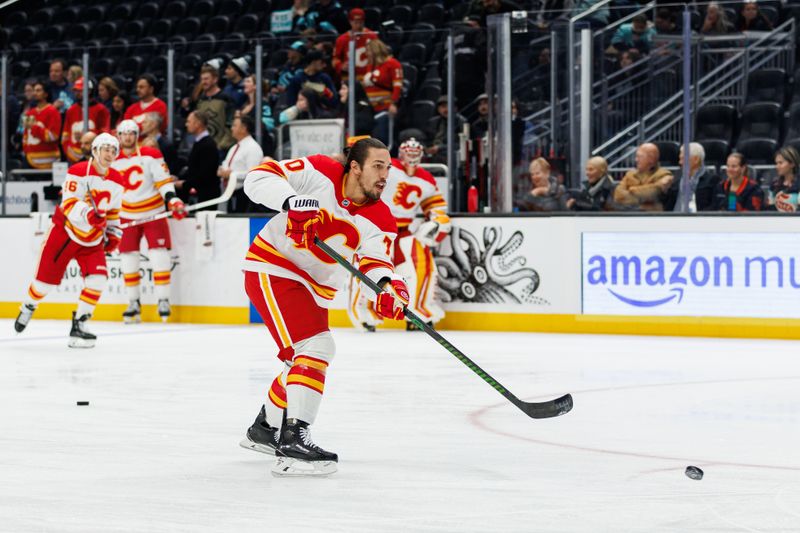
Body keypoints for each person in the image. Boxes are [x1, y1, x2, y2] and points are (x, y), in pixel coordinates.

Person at [238, 137, 408, 476]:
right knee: (316, 346)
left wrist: (388, 288)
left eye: (388, 168)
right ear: (355, 166)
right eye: (378, 165)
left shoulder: (382, 217)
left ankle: (265, 429)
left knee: (300, 362)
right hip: (275, 267)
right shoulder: (319, 170)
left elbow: (376, 261)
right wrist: (291, 201)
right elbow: (257, 178)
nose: (385, 175)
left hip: (315, 290)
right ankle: (293, 439)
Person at [14, 133, 124, 348]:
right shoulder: (79, 171)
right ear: (95, 150)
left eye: (113, 150)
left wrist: (113, 233)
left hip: (91, 241)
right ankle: (29, 305)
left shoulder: (117, 179)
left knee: (98, 280)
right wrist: (89, 216)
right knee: (43, 285)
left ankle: (79, 325)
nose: (110, 154)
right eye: (106, 149)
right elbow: (69, 203)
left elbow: (113, 211)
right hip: (65, 233)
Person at [348, 138, 450, 332]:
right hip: (376, 228)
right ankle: (365, 313)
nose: (411, 157)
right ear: (401, 153)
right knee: (368, 268)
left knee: (423, 266)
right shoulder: (389, 167)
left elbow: (435, 205)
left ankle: (420, 312)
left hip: (404, 230)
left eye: (415, 152)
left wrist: (438, 221)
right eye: (408, 152)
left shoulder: (427, 178)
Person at [112, 120, 186, 323]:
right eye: (124, 133)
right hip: (126, 215)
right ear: (118, 135)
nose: (128, 137)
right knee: (128, 259)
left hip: (153, 212)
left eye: (131, 133)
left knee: (159, 255)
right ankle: (133, 301)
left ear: (137, 135)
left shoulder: (151, 154)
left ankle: (163, 300)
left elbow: (163, 182)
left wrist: (173, 199)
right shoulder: (111, 159)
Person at [218, 115, 264, 213]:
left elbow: (253, 174)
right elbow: (226, 165)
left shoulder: (253, 148)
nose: (231, 128)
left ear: (244, 128)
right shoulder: (233, 148)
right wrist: (221, 170)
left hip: (244, 195)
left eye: (234, 125)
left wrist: (232, 174)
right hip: (230, 193)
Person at [184, 65, 235, 152]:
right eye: (202, 79)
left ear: (215, 79)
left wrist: (221, 146)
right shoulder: (200, 100)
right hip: (202, 147)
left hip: (220, 149)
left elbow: (230, 124)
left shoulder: (226, 99)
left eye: (206, 79)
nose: (203, 82)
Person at [361, 39, 402, 145]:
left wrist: (393, 103)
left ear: (375, 50)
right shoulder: (370, 65)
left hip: (385, 107)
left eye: (369, 50)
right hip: (370, 109)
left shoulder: (393, 63)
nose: (367, 53)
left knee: (382, 137)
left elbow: (397, 86)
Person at [175, 111, 220, 205]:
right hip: (199, 192)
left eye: (189, 121)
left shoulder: (208, 145)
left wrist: (184, 184)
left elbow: (205, 174)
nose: (186, 124)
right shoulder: (199, 142)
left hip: (206, 197)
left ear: (198, 124)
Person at [61, 78, 111, 164]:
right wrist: (69, 154)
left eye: (79, 90)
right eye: (75, 90)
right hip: (73, 157)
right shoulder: (71, 110)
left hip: (96, 158)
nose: (76, 93)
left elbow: (105, 133)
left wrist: (88, 134)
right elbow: (65, 135)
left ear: (89, 91)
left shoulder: (101, 110)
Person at [613, 143, 674, 211]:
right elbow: (618, 196)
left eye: (640, 157)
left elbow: (653, 193)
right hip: (630, 216)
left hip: (653, 218)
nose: (636, 160)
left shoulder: (664, 175)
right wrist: (642, 204)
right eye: (636, 156)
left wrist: (631, 190)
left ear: (651, 159)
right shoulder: (630, 174)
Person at [664, 142, 720, 212]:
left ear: (696, 160)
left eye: (682, 159)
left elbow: (715, 206)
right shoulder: (676, 180)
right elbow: (667, 206)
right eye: (679, 159)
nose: (680, 163)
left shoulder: (712, 180)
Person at [22, 80, 62, 169]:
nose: (35, 93)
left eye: (38, 90)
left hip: (49, 160)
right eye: (34, 90)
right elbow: (26, 137)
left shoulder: (53, 112)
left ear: (46, 94)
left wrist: (34, 128)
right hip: (30, 159)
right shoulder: (30, 113)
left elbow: (53, 136)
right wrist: (26, 151)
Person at [332, 9, 377, 83]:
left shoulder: (372, 36)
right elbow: (335, 59)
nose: (358, 25)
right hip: (349, 77)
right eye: (355, 23)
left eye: (361, 22)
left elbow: (379, 55)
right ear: (350, 22)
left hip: (368, 77)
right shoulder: (342, 39)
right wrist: (341, 66)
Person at [425, 96, 466, 165]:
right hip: (432, 152)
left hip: (449, 153)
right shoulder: (433, 122)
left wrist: (440, 148)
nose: (446, 109)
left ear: (455, 108)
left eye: (449, 106)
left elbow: (462, 144)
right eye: (443, 107)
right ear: (438, 109)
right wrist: (425, 148)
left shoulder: (461, 122)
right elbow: (427, 139)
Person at [766, 146, 800, 212]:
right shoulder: (774, 184)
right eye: (776, 163)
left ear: (792, 164)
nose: (777, 166)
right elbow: (770, 209)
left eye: (780, 163)